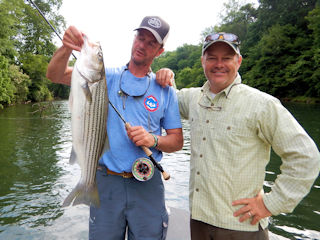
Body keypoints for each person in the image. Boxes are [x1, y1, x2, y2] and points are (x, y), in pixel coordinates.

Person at [156, 32, 320, 239]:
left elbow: (306, 156)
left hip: (241, 226)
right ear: (202, 61)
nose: (219, 64)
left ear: (239, 61)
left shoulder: (262, 104)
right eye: (212, 58)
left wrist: (272, 203)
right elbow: (166, 100)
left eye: (226, 58)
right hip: (198, 222)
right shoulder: (192, 98)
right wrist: (166, 74)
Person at [46, 16, 183, 240]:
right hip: (106, 180)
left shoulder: (166, 89)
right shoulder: (102, 76)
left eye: (151, 43)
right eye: (141, 37)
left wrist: (153, 140)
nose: (142, 45)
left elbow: (177, 141)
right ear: (134, 38)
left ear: (159, 51)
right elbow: (54, 75)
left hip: (147, 182)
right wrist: (66, 47)